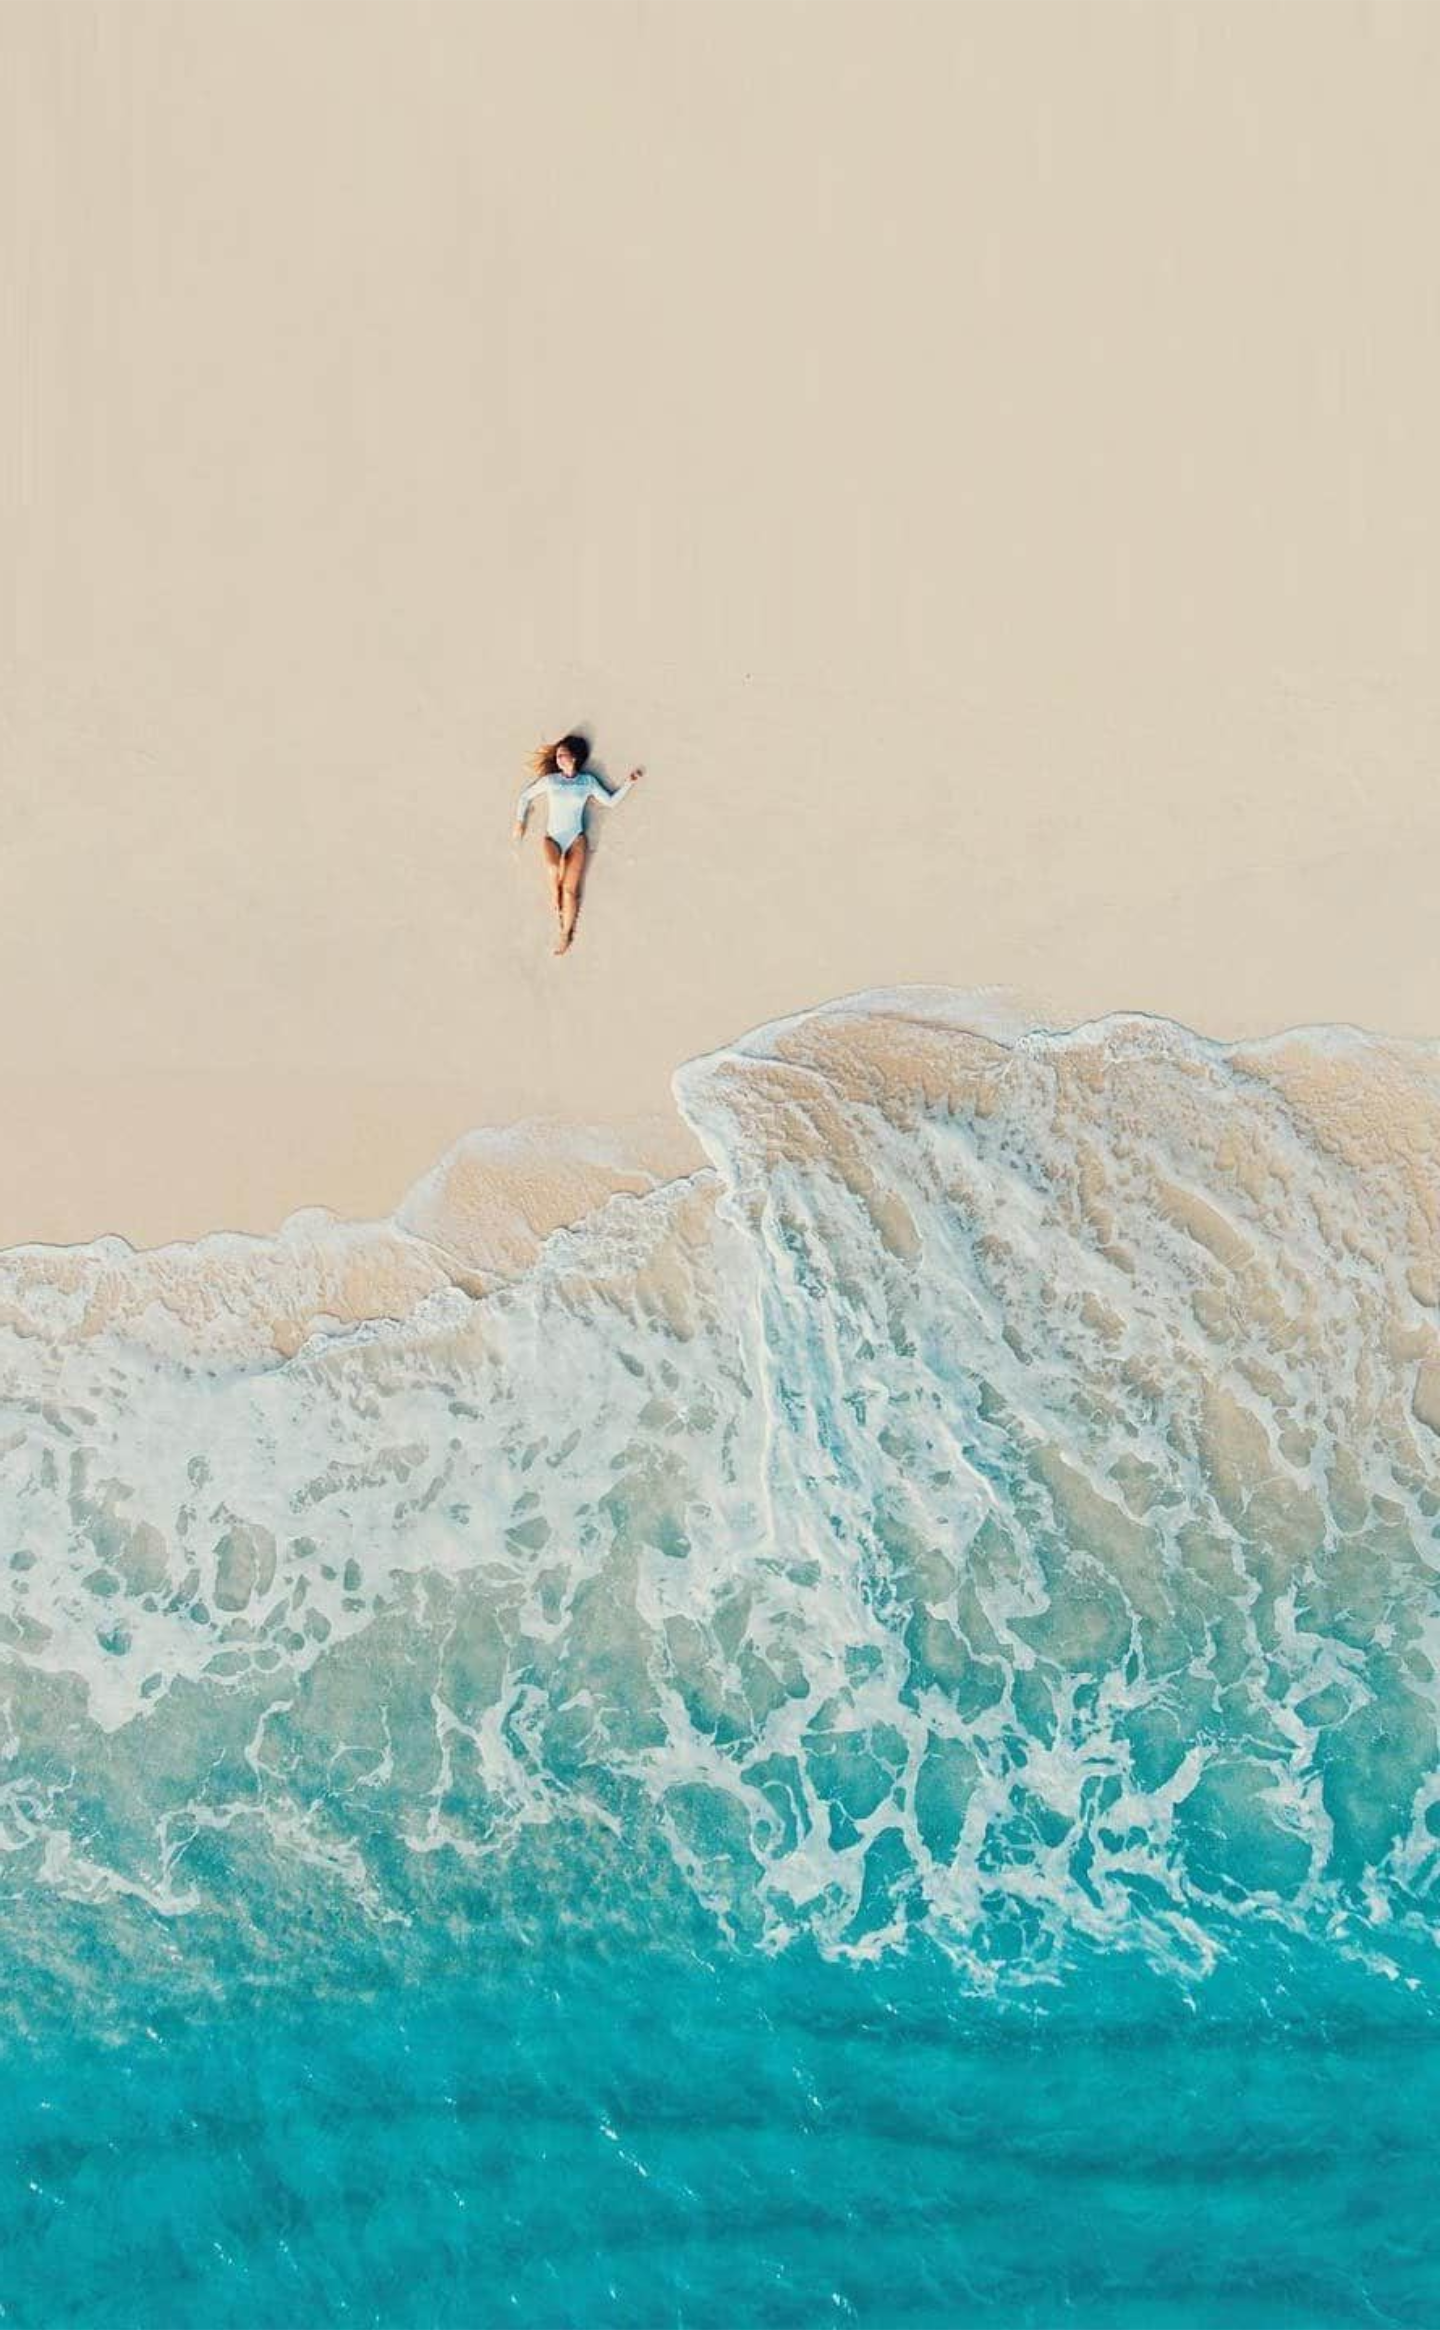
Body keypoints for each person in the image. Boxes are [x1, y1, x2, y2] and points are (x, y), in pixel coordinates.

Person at [512, 733, 643, 954]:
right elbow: (525, 796)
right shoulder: (551, 781)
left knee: (570, 892)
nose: (558, 759)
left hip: (576, 839)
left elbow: (610, 802)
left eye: (563, 755)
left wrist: (629, 783)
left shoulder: (587, 782)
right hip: (552, 838)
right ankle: (554, 893)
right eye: (558, 755)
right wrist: (519, 821)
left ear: (575, 758)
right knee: (554, 869)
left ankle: (565, 934)